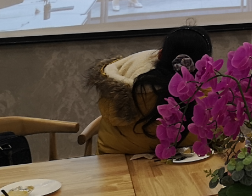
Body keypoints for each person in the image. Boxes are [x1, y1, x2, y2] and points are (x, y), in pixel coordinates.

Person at [84, 25, 213, 154]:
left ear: (160, 54)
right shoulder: (206, 102)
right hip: (183, 165)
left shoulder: (125, 94)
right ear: (205, 65)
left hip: (112, 163)